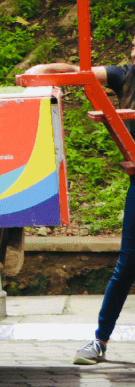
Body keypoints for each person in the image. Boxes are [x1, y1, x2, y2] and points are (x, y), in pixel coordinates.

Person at [19, 37, 135, 366]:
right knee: (127, 265)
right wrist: (45, 70)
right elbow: (78, 72)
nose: (134, 53)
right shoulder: (125, 75)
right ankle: (99, 340)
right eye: (132, 47)